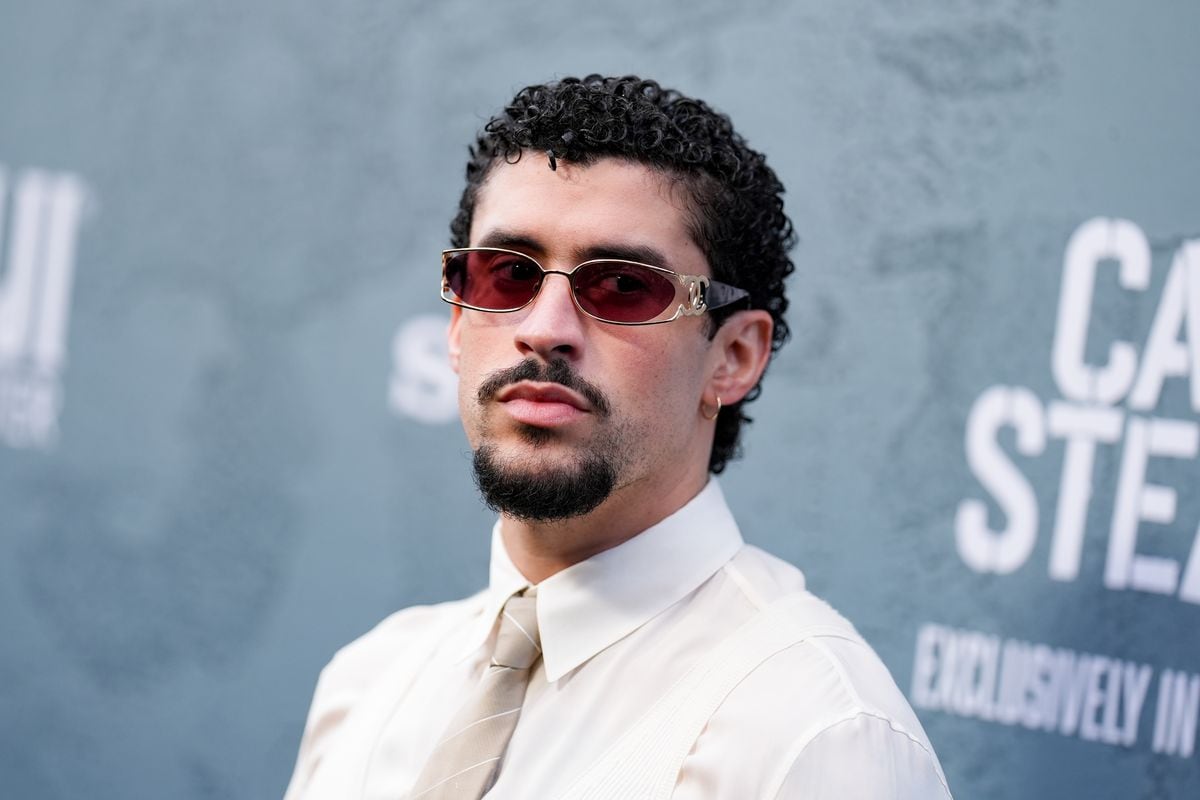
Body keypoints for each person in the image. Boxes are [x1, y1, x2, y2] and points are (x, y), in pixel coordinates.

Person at [284, 74, 952, 800]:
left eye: (623, 287)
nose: (543, 329)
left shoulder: (813, 737)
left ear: (733, 358)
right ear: (454, 323)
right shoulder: (370, 685)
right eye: (507, 276)